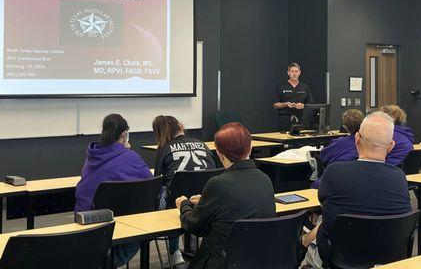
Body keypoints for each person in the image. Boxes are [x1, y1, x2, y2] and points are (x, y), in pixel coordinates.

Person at [302, 111, 411, 268]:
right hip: (386, 257)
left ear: (357, 139)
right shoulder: (399, 178)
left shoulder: (334, 172)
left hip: (337, 260)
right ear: (391, 146)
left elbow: (324, 207)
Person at [176, 123, 276, 269]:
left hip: (222, 262)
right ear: (250, 148)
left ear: (220, 153)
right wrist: (206, 202)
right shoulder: (265, 179)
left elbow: (195, 226)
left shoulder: (218, 184)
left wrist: (184, 204)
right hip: (258, 259)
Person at [75, 114, 152, 268]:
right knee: (157, 204)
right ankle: (113, 260)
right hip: (113, 222)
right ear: (124, 133)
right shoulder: (131, 158)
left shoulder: (92, 155)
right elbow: (152, 185)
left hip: (84, 220)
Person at [153, 115, 216, 267]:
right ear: (180, 126)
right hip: (205, 200)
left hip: (176, 204)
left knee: (163, 192)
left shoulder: (164, 148)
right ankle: (195, 247)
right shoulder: (202, 144)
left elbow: (157, 177)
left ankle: (175, 252)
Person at [310, 109, 364, 188]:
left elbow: (323, 157)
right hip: (357, 183)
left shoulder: (338, 143)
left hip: (333, 182)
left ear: (345, 126)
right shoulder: (368, 144)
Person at [273, 62, 314, 132]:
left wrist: (302, 106)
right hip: (285, 119)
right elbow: (275, 105)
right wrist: (285, 104)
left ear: (299, 72)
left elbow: (311, 105)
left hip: (301, 119)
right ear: (288, 73)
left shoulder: (305, 87)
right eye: (292, 71)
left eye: (296, 71)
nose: (294, 74)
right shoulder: (281, 86)